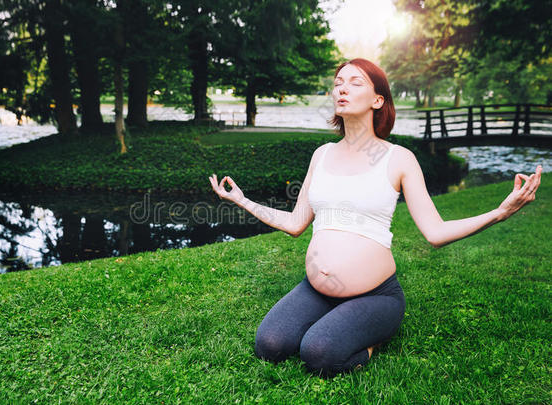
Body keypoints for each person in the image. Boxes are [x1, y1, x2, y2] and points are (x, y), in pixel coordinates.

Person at [208, 58, 543, 378]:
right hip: (318, 288)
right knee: (270, 345)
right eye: (338, 83)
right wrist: (242, 200)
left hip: (376, 295)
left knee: (318, 352)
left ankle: (374, 336)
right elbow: (297, 223)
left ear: (378, 100)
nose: (342, 89)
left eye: (356, 83)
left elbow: (435, 232)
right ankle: (336, 316)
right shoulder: (321, 155)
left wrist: (500, 212)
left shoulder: (399, 159)